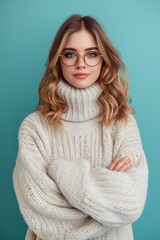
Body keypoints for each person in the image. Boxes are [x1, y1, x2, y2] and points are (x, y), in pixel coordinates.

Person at [13, 14, 148, 240]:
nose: (81, 63)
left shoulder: (122, 124)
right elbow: (39, 205)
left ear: (104, 59)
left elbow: (130, 202)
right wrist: (106, 190)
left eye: (92, 54)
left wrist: (60, 172)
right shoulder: (34, 128)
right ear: (58, 60)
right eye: (70, 54)